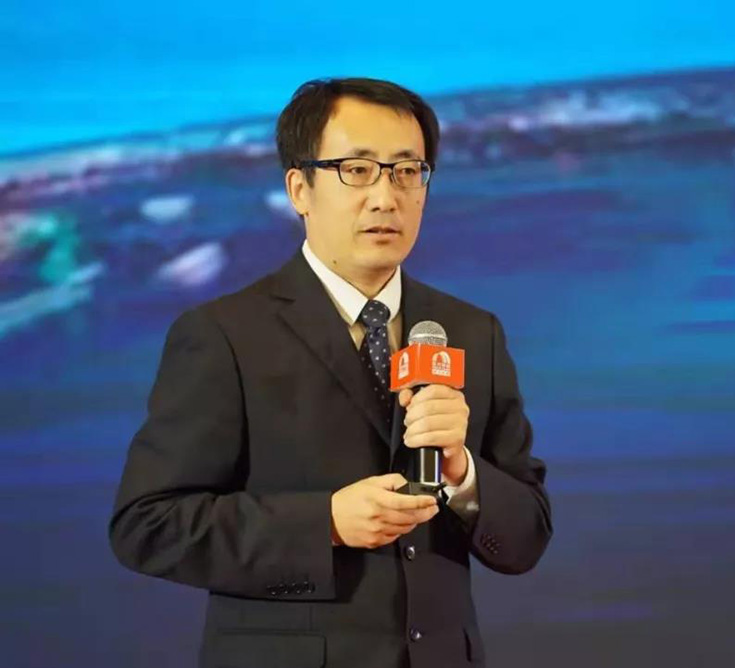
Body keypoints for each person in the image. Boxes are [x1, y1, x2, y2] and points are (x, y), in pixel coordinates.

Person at [108, 77, 552, 668]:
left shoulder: (471, 331)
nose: (385, 197)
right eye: (357, 170)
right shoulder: (224, 334)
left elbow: (525, 538)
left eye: (407, 171)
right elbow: (148, 526)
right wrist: (326, 524)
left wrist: (461, 473)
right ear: (300, 189)